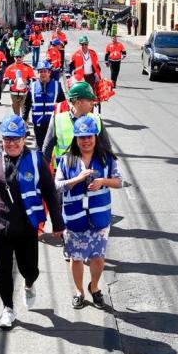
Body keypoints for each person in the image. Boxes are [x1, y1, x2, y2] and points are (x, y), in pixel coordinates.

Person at [0, 115, 65, 329]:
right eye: (7, 138)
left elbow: (50, 192)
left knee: (30, 269)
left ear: (24, 138)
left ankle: (29, 284)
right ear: (2, 139)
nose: (12, 143)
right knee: (2, 269)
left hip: (27, 226)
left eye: (16, 138)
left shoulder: (36, 160)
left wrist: (58, 223)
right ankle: (8, 308)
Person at [55, 116, 122, 309]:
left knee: (98, 258)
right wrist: (77, 179)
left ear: (95, 137)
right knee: (76, 257)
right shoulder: (66, 160)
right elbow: (57, 186)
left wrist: (103, 182)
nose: (86, 141)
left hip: (99, 218)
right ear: (76, 139)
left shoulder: (106, 158)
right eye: (81, 137)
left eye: (89, 136)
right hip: (75, 218)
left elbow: (119, 182)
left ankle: (94, 287)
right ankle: (79, 292)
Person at [42, 82, 113, 168]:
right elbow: (47, 148)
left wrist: (109, 169)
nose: (92, 103)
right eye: (89, 100)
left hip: (90, 170)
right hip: (64, 170)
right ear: (78, 102)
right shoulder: (58, 120)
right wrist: (44, 171)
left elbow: (106, 147)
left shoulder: (96, 119)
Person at [22, 60, 65, 149]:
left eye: (45, 71)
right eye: (41, 71)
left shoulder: (57, 85)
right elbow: (27, 104)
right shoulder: (32, 87)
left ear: (49, 72)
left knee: (51, 147)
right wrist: (24, 118)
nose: (43, 73)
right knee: (39, 147)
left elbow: (63, 104)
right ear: (38, 73)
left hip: (52, 123)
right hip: (38, 123)